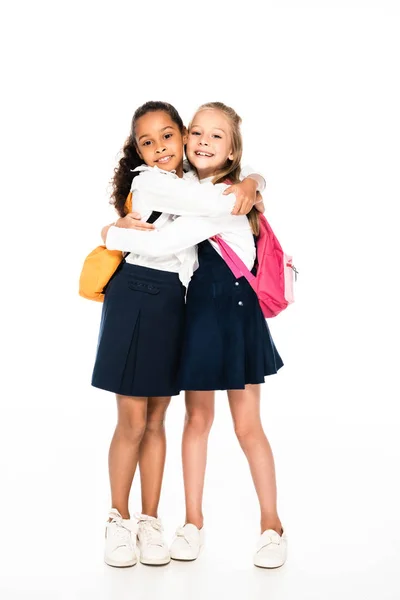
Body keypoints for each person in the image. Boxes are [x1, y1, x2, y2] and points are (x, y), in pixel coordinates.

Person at [104, 102, 287, 568]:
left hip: (231, 312)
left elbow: (201, 218)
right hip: (192, 312)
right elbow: (176, 235)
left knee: (245, 426)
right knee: (191, 420)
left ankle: (272, 527)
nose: (202, 142)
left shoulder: (204, 188)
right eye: (198, 134)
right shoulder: (174, 187)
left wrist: (253, 181)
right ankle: (184, 523)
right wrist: (111, 232)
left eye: (215, 136)